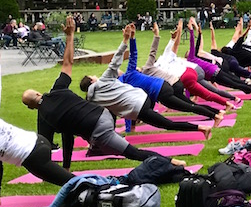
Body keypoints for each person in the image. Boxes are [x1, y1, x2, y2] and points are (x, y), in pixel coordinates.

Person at [21, 17, 185, 169]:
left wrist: (66, 167)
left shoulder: (44, 118)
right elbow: (67, 63)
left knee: (133, 153)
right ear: (38, 93)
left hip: (97, 130)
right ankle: (99, 147)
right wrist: (70, 36)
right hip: (105, 115)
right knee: (105, 142)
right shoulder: (57, 89)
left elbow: (57, 142)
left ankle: (171, 162)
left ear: (30, 108)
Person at [78, 24, 213, 138]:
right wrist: (128, 39)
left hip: (142, 103)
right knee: (174, 117)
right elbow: (120, 60)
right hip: (145, 99)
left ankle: (205, 123)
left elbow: (115, 108)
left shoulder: (95, 99)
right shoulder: (112, 79)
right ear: (91, 81)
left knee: (172, 120)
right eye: (93, 76)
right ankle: (203, 127)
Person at [120, 23, 224, 123]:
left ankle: (215, 115)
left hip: (172, 86)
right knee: (189, 105)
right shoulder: (156, 65)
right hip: (175, 83)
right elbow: (159, 51)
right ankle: (217, 112)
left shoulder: (147, 69)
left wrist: (158, 36)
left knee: (189, 106)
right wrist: (165, 37)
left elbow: (154, 51)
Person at [1, 51, 75, 186]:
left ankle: (110, 190)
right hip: (37, 144)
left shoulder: (45, 111)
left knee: (74, 183)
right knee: (72, 183)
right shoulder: (46, 108)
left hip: (32, 154)